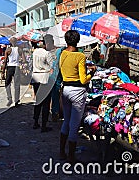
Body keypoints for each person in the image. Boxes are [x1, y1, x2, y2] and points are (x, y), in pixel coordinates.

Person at [59, 30, 96, 164]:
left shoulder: (63, 53)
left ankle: (62, 152)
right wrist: (92, 72)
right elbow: (83, 79)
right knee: (74, 125)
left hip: (66, 89)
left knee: (66, 121)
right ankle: (71, 156)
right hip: (77, 92)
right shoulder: (80, 56)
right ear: (78, 41)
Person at [31, 41, 54, 132]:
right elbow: (51, 66)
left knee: (38, 101)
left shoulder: (34, 52)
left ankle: (35, 122)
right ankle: (44, 124)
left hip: (36, 77)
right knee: (46, 103)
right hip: (44, 78)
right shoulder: (46, 53)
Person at [2, 37, 25, 107]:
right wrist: (19, 61)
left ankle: (9, 98)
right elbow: (24, 60)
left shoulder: (8, 50)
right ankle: (16, 101)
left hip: (10, 67)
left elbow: (5, 61)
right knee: (17, 85)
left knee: (7, 83)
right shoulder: (20, 49)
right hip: (17, 67)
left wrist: (3, 70)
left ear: (10, 42)